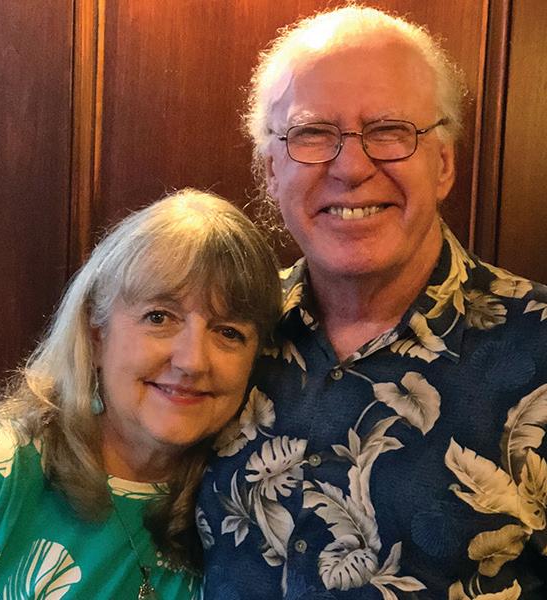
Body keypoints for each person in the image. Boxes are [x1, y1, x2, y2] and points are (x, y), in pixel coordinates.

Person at [198, 5, 547, 599]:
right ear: (271, 170)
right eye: (313, 133)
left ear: (444, 163)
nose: (353, 167)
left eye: (389, 130)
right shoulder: (219, 334)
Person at [0, 188, 281, 599]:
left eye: (228, 332)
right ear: (96, 334)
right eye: (159, 317)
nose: (193, 361)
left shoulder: (244, 519)